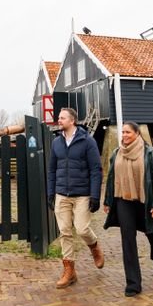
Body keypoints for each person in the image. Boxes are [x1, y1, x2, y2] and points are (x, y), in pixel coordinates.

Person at [103, 120, 153, 297]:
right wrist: (108, 201)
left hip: (144, 200)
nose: (124, 136)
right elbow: (111, 178)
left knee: (152, 233)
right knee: (127, 239)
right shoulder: (117, 153)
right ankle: (133, 284)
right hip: (124, 200)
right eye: (122, 132)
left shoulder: (149, 154)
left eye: (128, 133)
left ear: (137, 134)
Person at [46, 107, 105, 288]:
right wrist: (51, 192)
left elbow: (96, 169)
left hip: (82, 195)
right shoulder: (56, 142)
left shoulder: (87, 141)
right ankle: (69, 271)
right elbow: (52, 169)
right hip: (62, 193)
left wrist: (95, 195)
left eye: (62, 118)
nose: (59, 120)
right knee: (64, 232)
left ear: (72, 121)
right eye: (59, 117)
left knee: (81, 229)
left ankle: (94, 246)